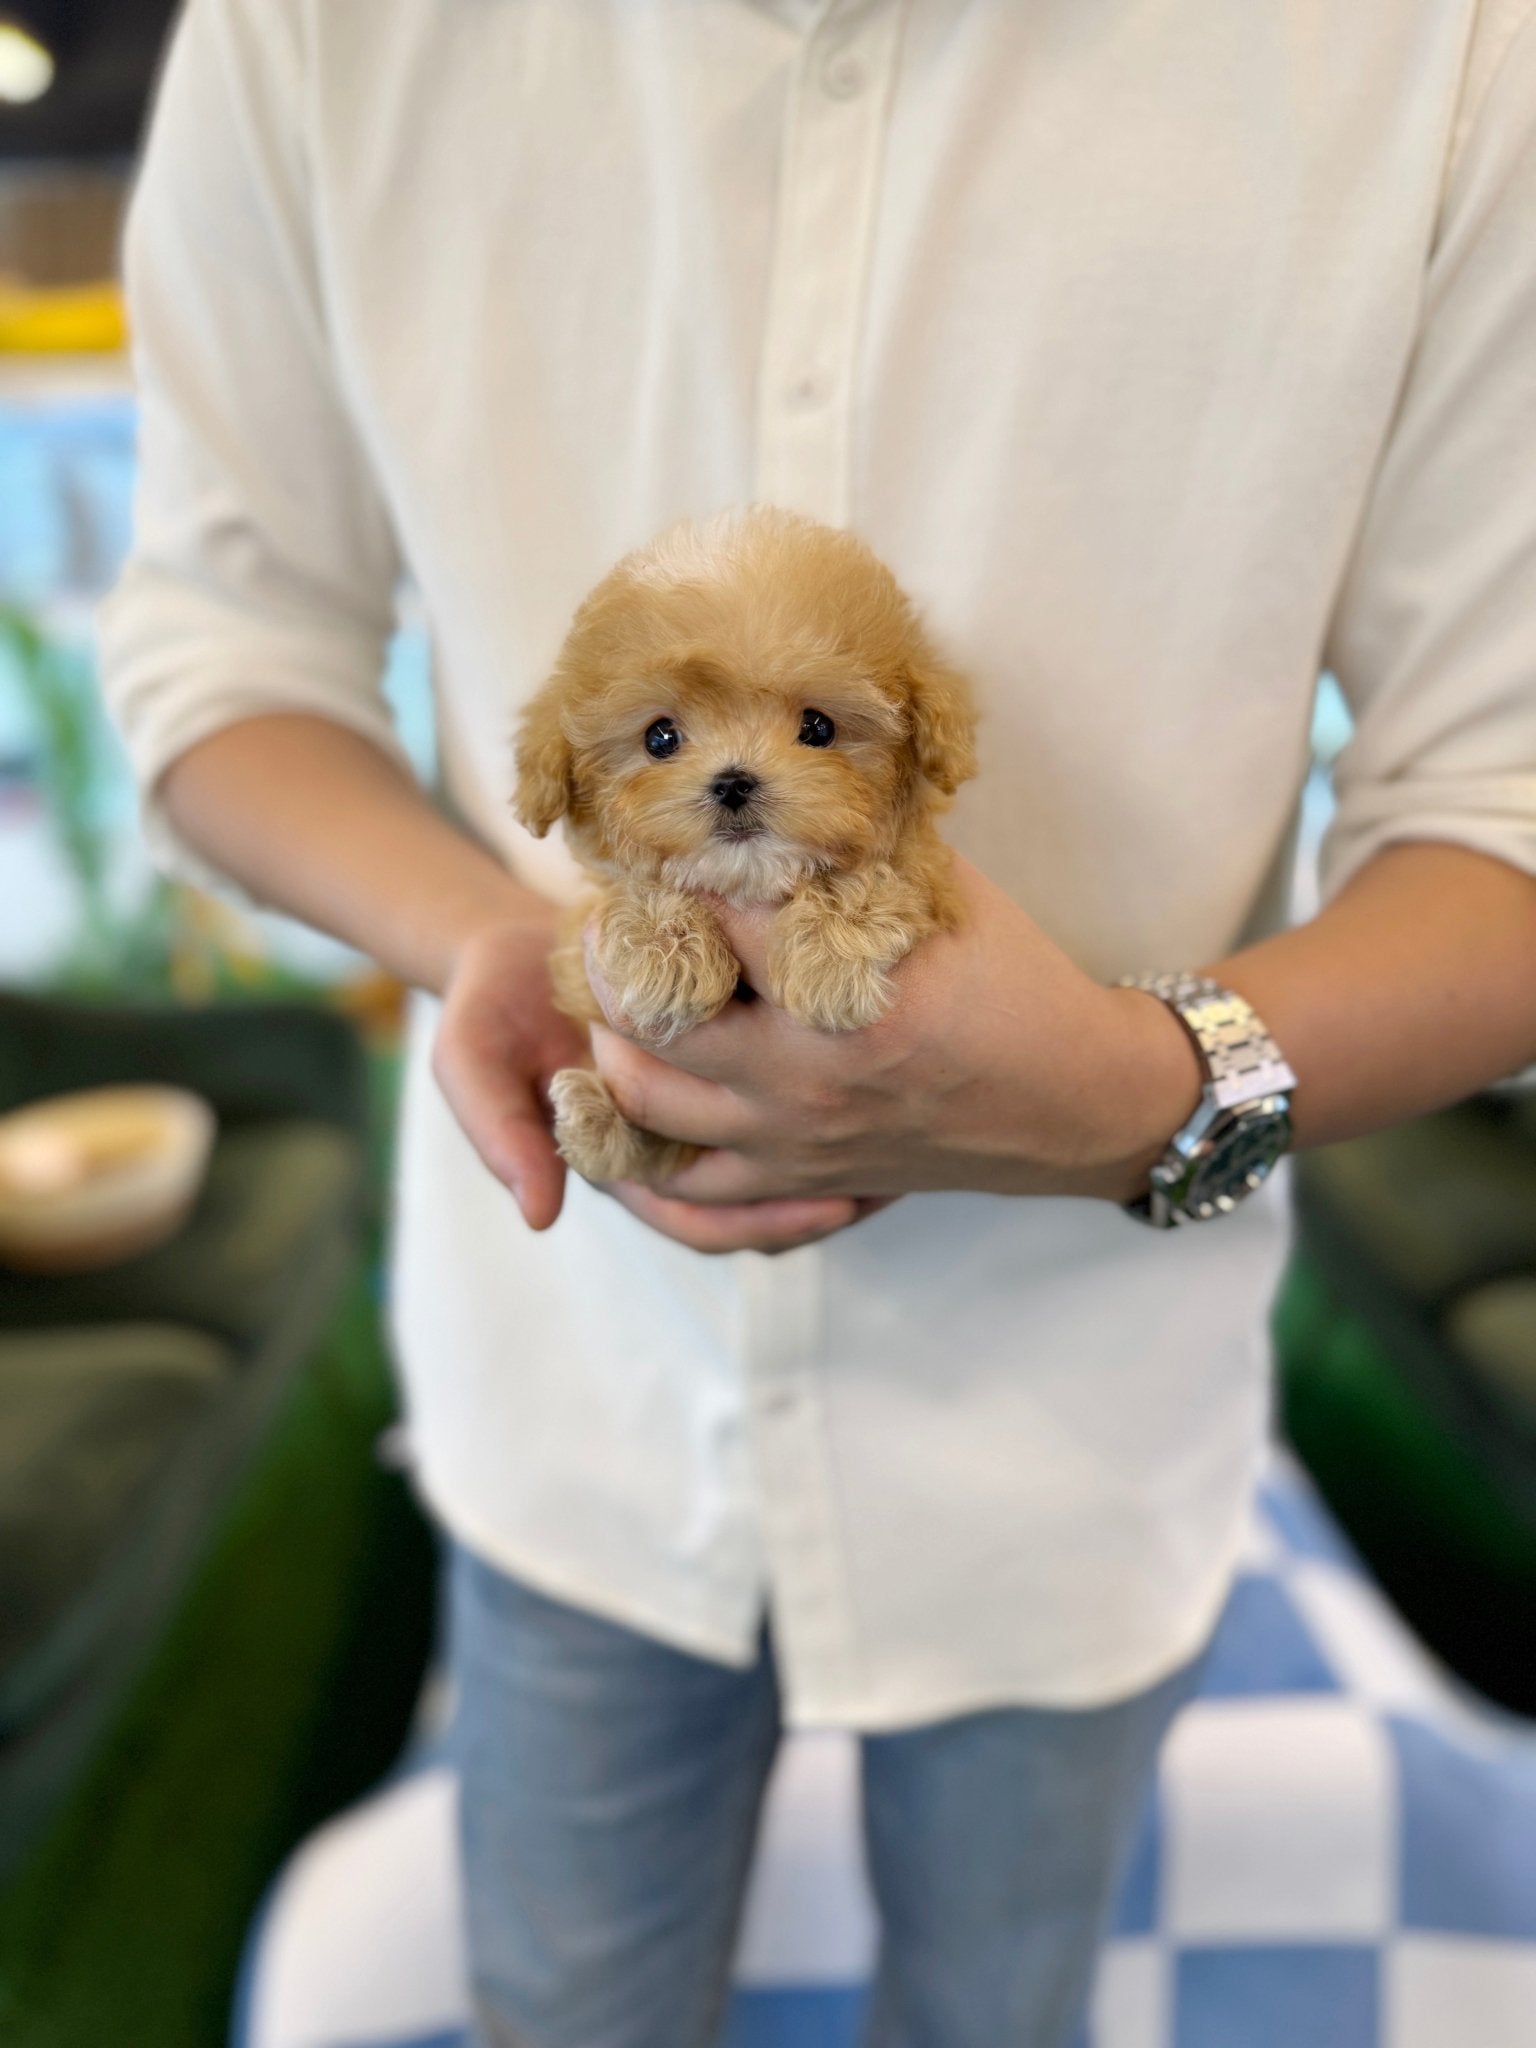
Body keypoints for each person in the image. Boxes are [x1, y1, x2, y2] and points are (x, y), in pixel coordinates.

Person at [100, 3, 1536, 2043]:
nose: (742, 771)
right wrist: (488, 941)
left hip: (1081, 1407)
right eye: (680, 736)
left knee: (1001, 2006)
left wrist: (1141, 1089)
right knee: (566, 2004)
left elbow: (1502, 810)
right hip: (571, 1380)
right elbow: (216, 644)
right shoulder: (317, 29)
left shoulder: (1442, 50)